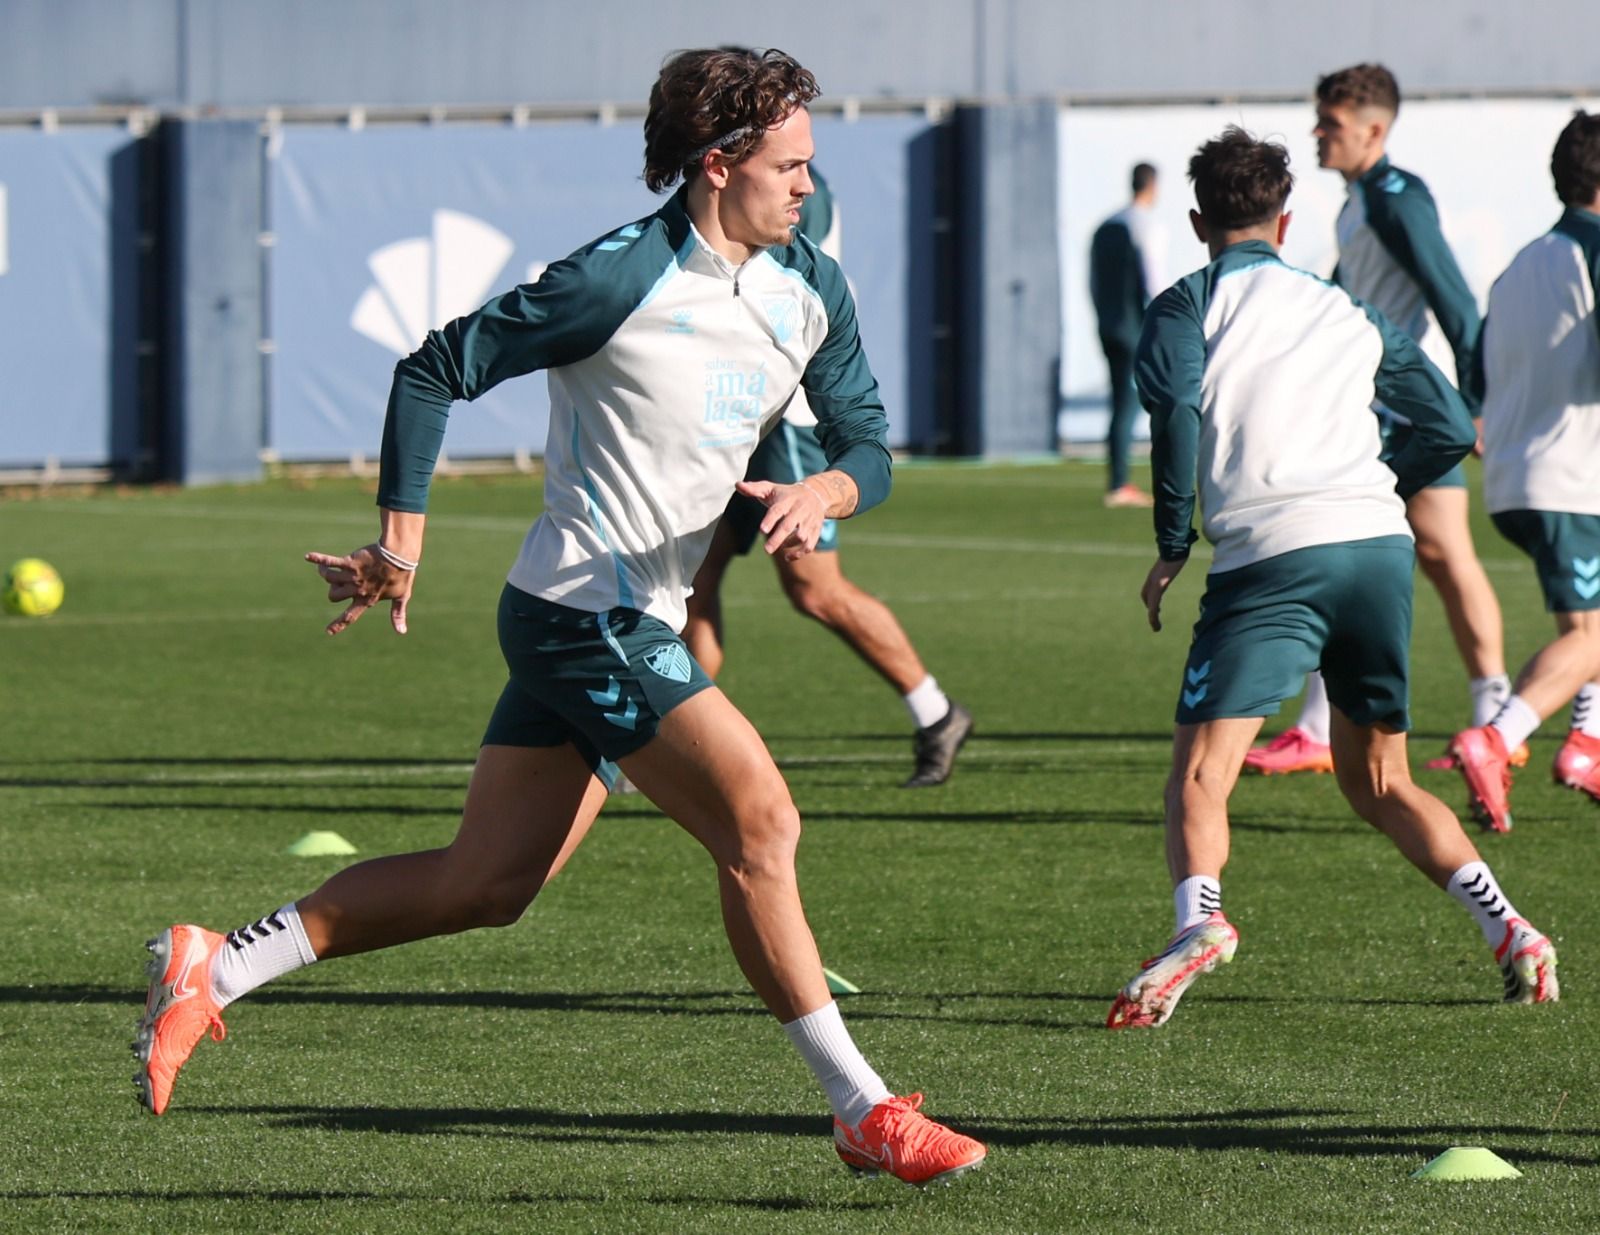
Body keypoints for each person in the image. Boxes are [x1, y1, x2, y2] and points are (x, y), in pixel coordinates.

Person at [130, 47, 985, 1187]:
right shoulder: (615, 279)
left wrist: (827, 485)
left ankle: (212, 965)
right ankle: (860, 1106)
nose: (805, 187)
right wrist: (400, 544)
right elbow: (433, 369)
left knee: (484, 885)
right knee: (761, 822)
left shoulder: (808, 288)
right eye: (787, 166)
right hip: (585, 611)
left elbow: (869, 440)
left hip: (624, 615)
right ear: (717, 164)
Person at [1108, 127, 1558, 1030]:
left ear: (1200, 221)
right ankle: (1509, 927)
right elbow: (1441, 420)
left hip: (1269, 557)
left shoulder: (1184, 305)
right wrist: (1374, 482)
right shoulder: (1346, 309)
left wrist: (1170, 541)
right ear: (1285, 217)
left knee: (1201, 773)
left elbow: (1176, 419)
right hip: (1376, 549)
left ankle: (1199, 920)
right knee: (1378, 780)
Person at [1245, 63, 1513, 776]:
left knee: (1407, 550)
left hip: (1408, 406)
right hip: (1379, 404)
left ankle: (1490, 714)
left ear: (1375, 129)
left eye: (1330, 124)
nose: (1317, 134)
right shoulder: (1358, 201)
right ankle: (1487, 716)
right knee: (1428, 553)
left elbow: (1455, 301)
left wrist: (1473, 402)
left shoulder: (1396, 199)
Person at [682, 166, 974, 790]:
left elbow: (769, 276)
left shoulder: (789, 193)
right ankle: (658, 741)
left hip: (789, 418)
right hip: (738, 415)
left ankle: (936, 712)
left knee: (815, 590)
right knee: (690, 581)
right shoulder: (749, 181)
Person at [1449, 110, 1600, 830]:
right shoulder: (1592, 252)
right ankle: (1497, 737)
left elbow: (1477, 368)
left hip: (1515, 477)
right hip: (1571, 478)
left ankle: (1587, 742)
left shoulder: (1518, 264)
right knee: (1592, 637)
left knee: (1589, 625)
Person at [1089, 162, 1166, 508]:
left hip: (1109, 324)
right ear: (1153, 186)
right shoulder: (1145, 224)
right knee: (1131, 402)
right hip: (1135, 326)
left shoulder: (1106, 226)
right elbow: (1153, 279)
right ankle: (1120, 482)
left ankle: (1119, 479)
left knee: (1120, 400)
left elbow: (1091, 279)